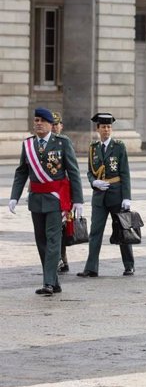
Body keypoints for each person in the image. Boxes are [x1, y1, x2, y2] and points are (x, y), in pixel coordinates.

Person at [9, 107, 84, 296]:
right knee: (41, 241)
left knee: (52, 240)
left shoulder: (62, 142)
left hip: (55, 199)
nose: (39, 124)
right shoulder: (28, 145)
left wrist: (78, 200)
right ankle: (54, 281)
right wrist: (14, 197)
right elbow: (22, 172)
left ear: (51, 124)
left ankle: (48, 282)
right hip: (36, 199)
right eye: (36, 120)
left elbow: (73, 171)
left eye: (42, 121)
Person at [77, 113, 135, 277]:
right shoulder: (93, 148)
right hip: (99, 196)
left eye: (109, 127)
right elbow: (90, 171)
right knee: (95, 232)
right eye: (103, 127)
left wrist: (127, 197)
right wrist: (93, 182)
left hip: (116, 193)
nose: (106, 130)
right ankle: (91, 268)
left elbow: (125, 172)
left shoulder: (119, 146)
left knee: (123, 230)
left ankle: (129, 265)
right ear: (98, 129)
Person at [51, 111, 70, 274]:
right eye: (53, 124)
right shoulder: (43, 143)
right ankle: (58, 259)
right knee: (53, 227)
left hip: (63, 189)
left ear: (61, 126)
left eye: (57, 124)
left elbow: (72, 168)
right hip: (49, 190)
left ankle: (62, 258)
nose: (55, 127)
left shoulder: (64, 142)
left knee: (62, 226)